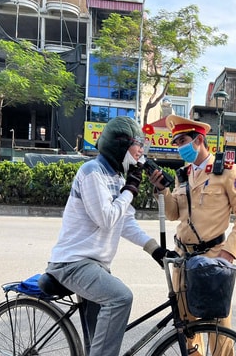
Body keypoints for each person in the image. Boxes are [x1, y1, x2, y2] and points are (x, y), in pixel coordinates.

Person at [44, 116, 175, 356]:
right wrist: (130, 191)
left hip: (94, 266)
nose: (140, 152)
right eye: (138, 145)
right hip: (73, 263)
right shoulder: (93, 172)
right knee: (121, 298)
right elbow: (106, 218)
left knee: (97, 342)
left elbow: (124, 222)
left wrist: (155, 249)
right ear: (121, 145)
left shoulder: (116, 177)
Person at [149, 114, 236, 355]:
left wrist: (229, 253)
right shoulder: (183, 175)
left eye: (182, 140)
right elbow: (174, 213)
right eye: (175, 142)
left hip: (213, 258)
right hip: (183, 259)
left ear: (199, 140)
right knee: (186, 326)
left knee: (217, 327)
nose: (178, 146)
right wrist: (161, 191)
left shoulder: (226, 171)